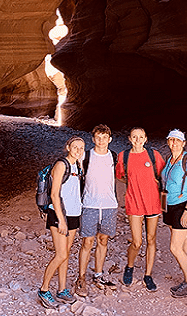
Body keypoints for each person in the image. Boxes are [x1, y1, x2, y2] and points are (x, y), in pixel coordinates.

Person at [115, 127, 165, 291]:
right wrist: (133, 184)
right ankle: (129, 266)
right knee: (137, 241)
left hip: (152, 202)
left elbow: (161, 174)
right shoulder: (125, 156)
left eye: (141, 137)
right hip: (134, 202)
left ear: (145, 139)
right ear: (130, 138)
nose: (138, 140)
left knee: (151, 239)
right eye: (134, 137)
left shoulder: (153, 155)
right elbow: (120, 175)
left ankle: (148, 275)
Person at [38, 136, 85, 308]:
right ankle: (43, 290)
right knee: (61, 255)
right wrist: (61, 220)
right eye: (75, 147)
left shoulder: (77, 165)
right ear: (68, 147)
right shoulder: (61, 165)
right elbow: (54, 194)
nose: (78, 150)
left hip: (73, 214)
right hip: (59, 215)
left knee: (66, 253)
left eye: (81, 148)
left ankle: (62, 290)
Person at [74, 125, 118, 296]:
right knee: (87, 243)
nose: (101, 140)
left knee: (103, 241)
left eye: (104, 137)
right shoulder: (86, 156)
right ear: (93, 139)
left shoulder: (113, 157)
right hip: (89, 204)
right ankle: (81, 277)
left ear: (110, 139)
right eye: (98, 137)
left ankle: (98, 275)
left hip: (109, 205)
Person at [161, 129, 187, 298]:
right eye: (171, 140)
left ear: (183, 143)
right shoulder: (169, 159)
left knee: (175, 247)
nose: (174, 143)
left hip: (184, 206)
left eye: (177, 140)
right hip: (169, 205)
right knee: (183, 245)